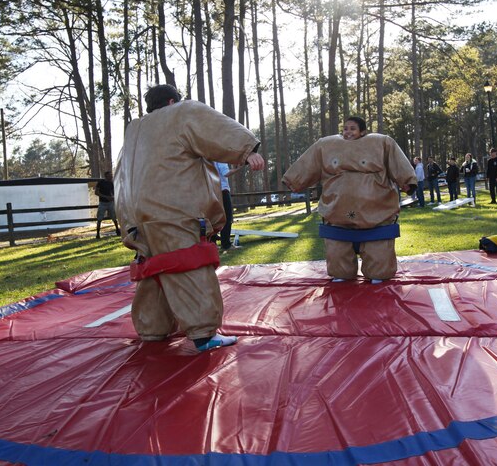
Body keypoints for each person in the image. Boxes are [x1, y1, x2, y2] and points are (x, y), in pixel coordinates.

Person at [114, 84, 265, 352]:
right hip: (172, 209)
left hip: (136, 216)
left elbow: (120, 175)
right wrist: (247, 150)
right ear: (173, 101)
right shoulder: (181, 113)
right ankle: (204, 334)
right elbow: (213, 128)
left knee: (153, 270)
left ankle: (153, 329)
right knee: (187, 265)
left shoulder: (134, 130)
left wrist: (125, 217)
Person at [282, 116, 417, 284]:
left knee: (379, 261)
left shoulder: (381, 143)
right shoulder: (326, 145)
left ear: (363, 131)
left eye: (353, 128)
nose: (348, 132)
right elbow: (309, 163)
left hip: (376, 216)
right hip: (337, 214)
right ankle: (341, 272)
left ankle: (378, 272)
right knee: (338, 254)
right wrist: (294, 180)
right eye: (345, 128)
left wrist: (408, 181)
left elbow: (397, 161)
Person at [213, 161, 234, 252]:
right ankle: (226, 244)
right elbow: (226, 173)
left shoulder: (207, 156)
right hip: (222, 190)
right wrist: (238, 169)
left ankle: (212, 243)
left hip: (211, 190)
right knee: (227, 218)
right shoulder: (220, 158)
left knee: (213, 218)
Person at [95, 170, 120, 239]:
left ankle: (117, 230)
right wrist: (106, 197)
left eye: (111, 175)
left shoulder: (111, 183)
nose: (111, 176)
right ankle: (97, 234)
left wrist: (112, 197)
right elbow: (96, 192)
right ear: (106, 176)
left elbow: (112, 192)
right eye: (110, 175)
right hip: (102, 203)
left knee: (114, 217)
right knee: (99, 218)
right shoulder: (101, 182)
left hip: (110, 203)